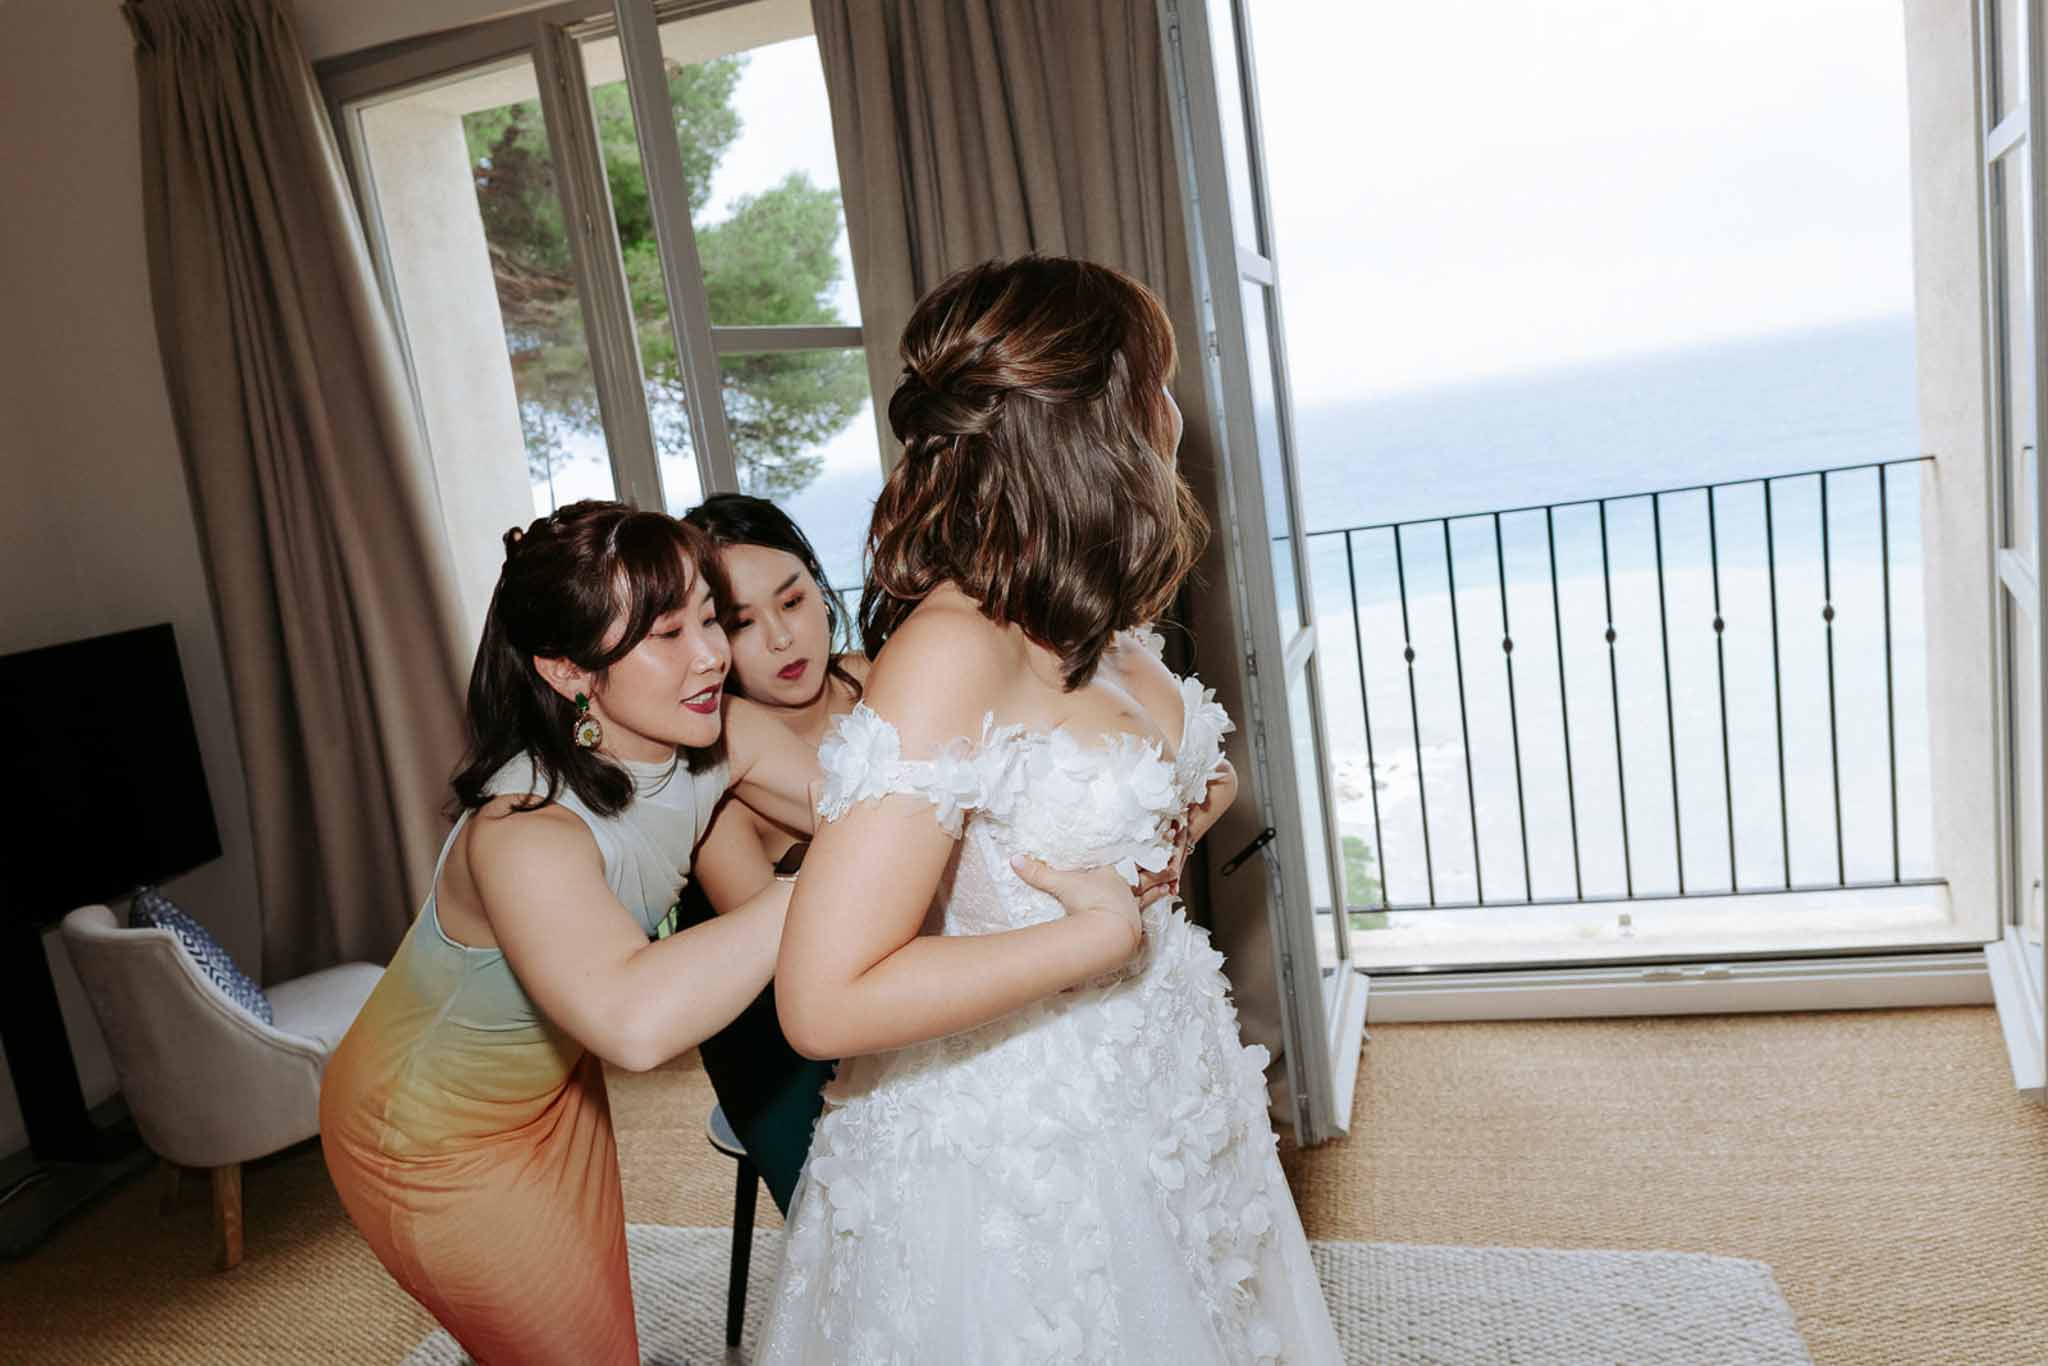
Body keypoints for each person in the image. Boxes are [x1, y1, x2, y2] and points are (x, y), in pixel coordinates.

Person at [317, 501, 1131, 1365]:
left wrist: (1066, 818)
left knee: (597, 1343)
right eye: (667, 635)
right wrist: (816, 889)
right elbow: (635, 1021)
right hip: (427, 1133)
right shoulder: (522, 833)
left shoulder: (715, 735)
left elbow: (874, 816)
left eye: (709, 619)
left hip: (550, 1085)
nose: (712, 654)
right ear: (567, 672)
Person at [758, 257, 1342, 1363]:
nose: (1172, 413)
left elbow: (1110, 774)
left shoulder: (1078, 610)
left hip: (1157, 1078)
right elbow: (823, 998)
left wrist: (1181, 810)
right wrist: (1095, 934)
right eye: (1155, 384)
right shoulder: (945, 649)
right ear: (1095, 424)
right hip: (1020, 1144)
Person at [669, 493, 864, 1212]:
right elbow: (790, 971)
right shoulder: (712, 772)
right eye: (743, 623)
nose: (784, 639)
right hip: (784, 1044)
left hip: (913, 988)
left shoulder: (892, 680)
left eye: (794, 599)